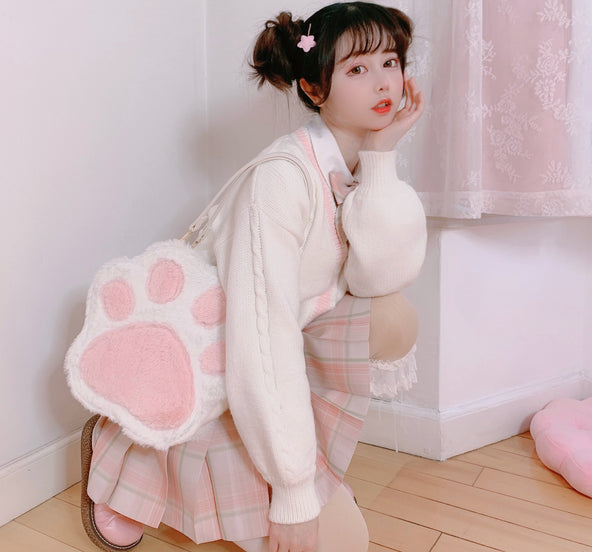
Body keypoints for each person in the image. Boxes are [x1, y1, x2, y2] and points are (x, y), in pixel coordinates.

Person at [80, 3, 426, 552]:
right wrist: (293, 494)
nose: (385, 82)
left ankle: (298, 464)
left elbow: (380, 275)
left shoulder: (355, 159)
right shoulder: (281, 181)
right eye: (358, 69)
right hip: (226, 349)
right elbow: (261, 337)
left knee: (392, 318)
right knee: (342, 545)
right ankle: (125, 450)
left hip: (293, 329)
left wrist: (382, 157)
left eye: (390, 62)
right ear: (315, 89)